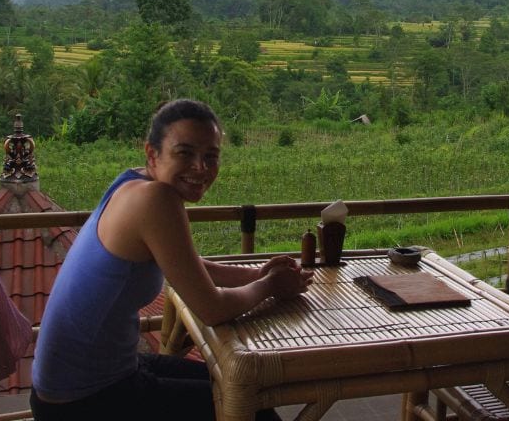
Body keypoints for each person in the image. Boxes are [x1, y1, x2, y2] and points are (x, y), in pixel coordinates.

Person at [30, 99, 312, 421]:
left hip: (77, 383)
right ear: (152, 153)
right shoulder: (157, 200)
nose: (201, 168)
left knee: (239, 386)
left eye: (211, 156)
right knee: (251, 408)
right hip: (83, 400)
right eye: (185, 153)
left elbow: (189, 267)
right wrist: (270, 286)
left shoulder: (133, 183)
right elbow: (212, 309)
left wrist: (256, 274)